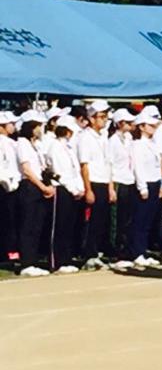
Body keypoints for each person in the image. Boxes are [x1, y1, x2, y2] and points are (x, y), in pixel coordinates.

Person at [78, 100, 116, 270]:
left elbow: (108, 163)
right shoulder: (85, 137)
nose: (104, 120)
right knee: (91, 221)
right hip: (92, 182)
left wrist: (110, 188)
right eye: (101, 116)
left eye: (106, 116)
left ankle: (96, 252)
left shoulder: (104, 137)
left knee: (101, 220)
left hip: (103, 181)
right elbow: (84, 165)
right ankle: (88, 254)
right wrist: (88, 189)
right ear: (92, 119)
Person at [16, 111, 55, 277]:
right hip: (29, 186)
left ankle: (33, 259)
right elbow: (27, 169)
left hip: (39, 186)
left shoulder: (36, 145)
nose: (41, 129)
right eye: (38, 126)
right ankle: (26, 262)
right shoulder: (22, 143)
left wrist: (47, 184)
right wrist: (41, 186)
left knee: (37, 224)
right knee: (28, 224)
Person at [46, 115, 85, 273]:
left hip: (72, 189)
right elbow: (60, 172)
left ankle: (67, 258)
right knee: (59, 226)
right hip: (62, 189)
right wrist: (73, 188)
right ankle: (57, 261)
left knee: (69, 225)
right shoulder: (55, 147)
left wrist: (79, 188)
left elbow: (75, 170)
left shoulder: (68, 148)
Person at [129, 109, 162, 268]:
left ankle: (143, 250)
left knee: (149, 220)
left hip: (155, 182)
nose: (153, 128)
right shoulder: (137, 145)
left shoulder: (153, 144)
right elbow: (138, 167)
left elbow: (158, 166)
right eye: (150, 126)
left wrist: (161, 185)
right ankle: (136, 252)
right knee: (140, 220)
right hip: (145, 184)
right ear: (142, 126)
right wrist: (142, 187)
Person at [108, 108, 137, 265]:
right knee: (117, 219)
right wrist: (111, 187)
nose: (131, 124)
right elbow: (110, 164)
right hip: (118, 181)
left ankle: (127, 250)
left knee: (128, 218)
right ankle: (117, 252)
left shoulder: (129, 138)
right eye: (128, 122)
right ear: (120, 123)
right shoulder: (112, 141)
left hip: (129, 180)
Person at [0, 111, 21, 262]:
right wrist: (6, 181)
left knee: (13, 220)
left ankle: (11, 249)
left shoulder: (13, 143)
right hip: (4, 186)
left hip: (14, 185)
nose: (13, 126)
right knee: (5, 220)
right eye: (10, 124)